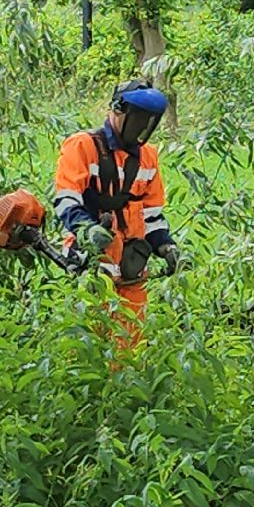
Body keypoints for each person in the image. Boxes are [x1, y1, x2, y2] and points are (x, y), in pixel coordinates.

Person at [52, 79, 181, 351]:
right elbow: (66, 200)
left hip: (133, 266)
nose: (142, 128)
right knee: (88, 346)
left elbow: (152, 215)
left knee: (130, 345)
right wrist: (87, 229)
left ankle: (127, 389)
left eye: (149, 120)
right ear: (118, 110)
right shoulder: (82, 146)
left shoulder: (148, 157)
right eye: (138, 119)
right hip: (91, 264)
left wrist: (166, 245)